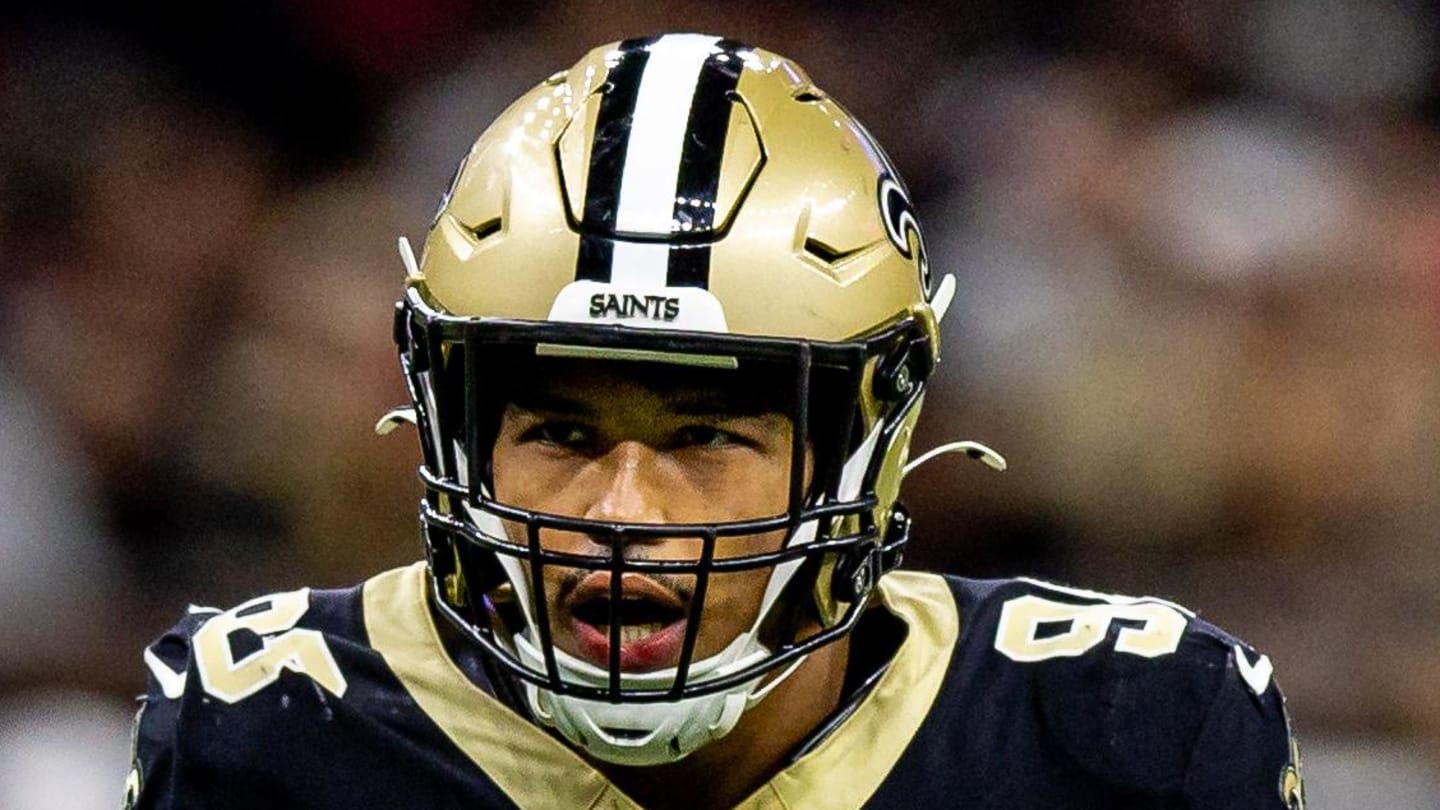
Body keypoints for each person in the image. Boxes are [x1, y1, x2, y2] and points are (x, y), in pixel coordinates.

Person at [124, 34, 1305, 809]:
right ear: (456, 432)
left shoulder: (1120, 737)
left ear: (859, 451)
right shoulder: (274, 735)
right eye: (562, 434)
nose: (621, 510)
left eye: (705, 439)